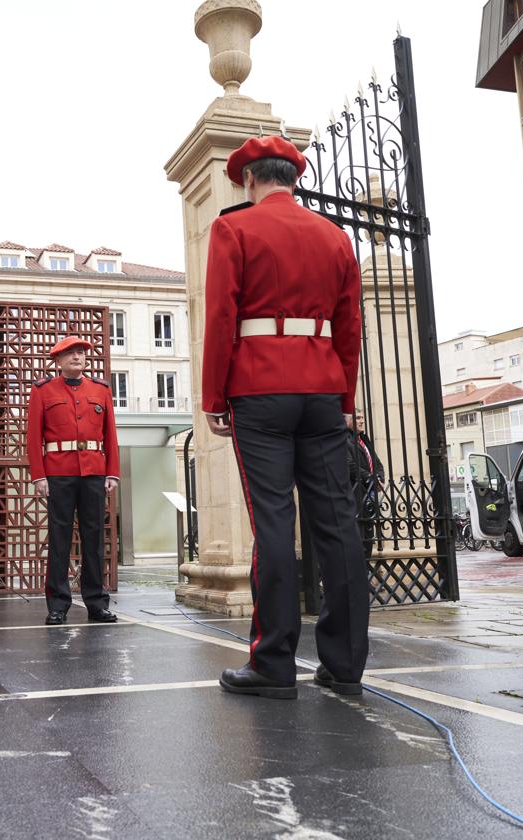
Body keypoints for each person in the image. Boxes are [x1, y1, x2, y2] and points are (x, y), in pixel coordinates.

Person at [202, 135, 368, 700]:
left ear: (249, 179)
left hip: (259, 389)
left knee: (273, 522)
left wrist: (213, 398)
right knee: (336, 523)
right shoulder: (334, 236)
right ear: (292, 177)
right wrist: (343, 400)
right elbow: (350, 324)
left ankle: (273, 663)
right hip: (322, 389)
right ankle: (344, 664)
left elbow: (222, 316)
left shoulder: (233, 228)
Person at [26, 337, 120, 626]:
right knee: (59, 540)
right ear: (58, 360)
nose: (77, 357)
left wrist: (112, 472)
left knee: (94, 539)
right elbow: (33, 437)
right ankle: (58, 605)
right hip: (59, 472)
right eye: (70, 354)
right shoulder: (42, 391)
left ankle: (96, 603)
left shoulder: (101, 390)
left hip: (93, 471)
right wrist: (39, 475)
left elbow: (110, 434)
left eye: (80, 353)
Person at [348, 408, 385, 554]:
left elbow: (377, 463)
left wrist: (379, 478)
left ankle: (367, 566)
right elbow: (350, 465)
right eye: (357, 418)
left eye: (362, 417)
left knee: (369, 530)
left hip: (370, 492)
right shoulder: (346, 440)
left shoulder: (364, 439)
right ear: (348, 421)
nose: (362, 421)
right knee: (358, 531)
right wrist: (371, 478)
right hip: (356, 491)